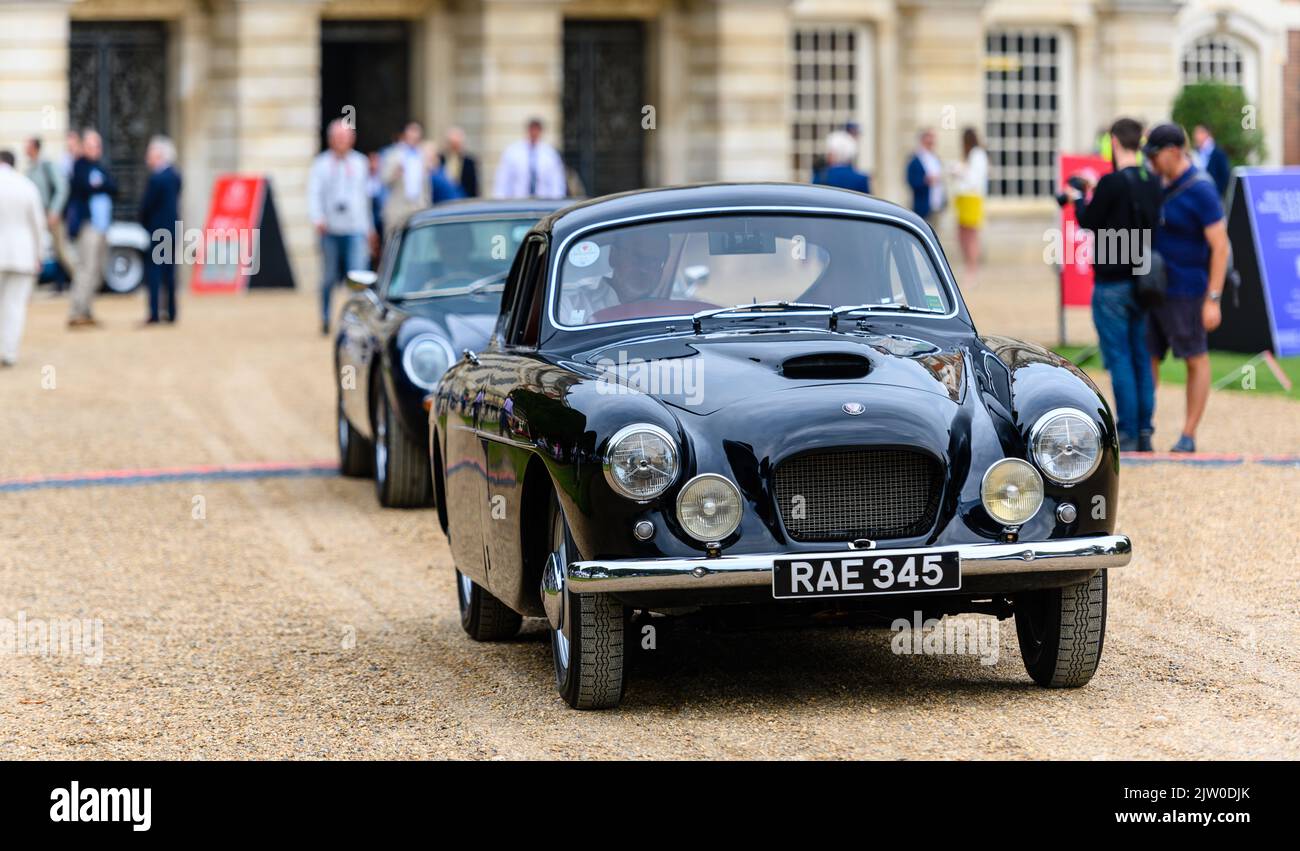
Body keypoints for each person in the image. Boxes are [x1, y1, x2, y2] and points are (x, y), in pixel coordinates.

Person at [1071, 118, 1160, 452]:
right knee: (1141, 354)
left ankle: (1128, 430)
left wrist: (1080, 195)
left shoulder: (1110, 183)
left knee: (1119, 357)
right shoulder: (1150, 180)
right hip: (1145, 280)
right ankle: (1146, 429)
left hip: (1112, 281)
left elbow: (1089, 221)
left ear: (1114, 141)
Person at [1143, 123, 1229, 453]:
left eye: (1155, 154)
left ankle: (1189, 433)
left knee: (1195, 358)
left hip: (1189, 291)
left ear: (1175, 152)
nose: (1150, 160)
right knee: (1147, 357)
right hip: (1155, 290)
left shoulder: (1201, 190)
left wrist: (1213, 299)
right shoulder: (1154, 183)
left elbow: (1220, 247)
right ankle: (1144, 428)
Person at [309, 119, 374, 335]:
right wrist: (317, 218)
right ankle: (326, 318)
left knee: (357, 277)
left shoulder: (360, 163)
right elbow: (314, 194)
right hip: (330, 229)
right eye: (338, 138)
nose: (341, 142)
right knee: (328, 278)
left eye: (345, 138)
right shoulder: (321, 164)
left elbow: (365, 198)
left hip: (355, 228)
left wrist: (369, 228)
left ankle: (356, 319)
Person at [558, 229, 671, 324]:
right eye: (637, 257)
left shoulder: (670, 313)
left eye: (654, 262)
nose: (645, 268)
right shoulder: (571, 304)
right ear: (613, 256)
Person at [66, 129, 116, 328]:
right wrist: (100, 185)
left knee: (98, 270)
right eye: (92, 145)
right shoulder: (80, 166)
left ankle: (87, 310)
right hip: (88, 225)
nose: (96, 149)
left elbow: (113, 186)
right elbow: (84, 187)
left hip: (102, 226)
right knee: (85, 269)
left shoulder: (100, 167)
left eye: (98, 145)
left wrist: (100, 184)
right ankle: (76, 311)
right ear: (84, 147)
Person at [0, 150, 46, 366]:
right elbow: (38, 224)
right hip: (22, 254)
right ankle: (8, 352)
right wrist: (39, 254)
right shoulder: (26, 186)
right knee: (14, 305)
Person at [138, 136, 182, 325]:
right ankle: (171, 312)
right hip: (172, 229)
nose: (148, 157)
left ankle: (155, 312)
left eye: (151, 154)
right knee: (169, 272)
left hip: (157, 230)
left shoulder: (157, 178)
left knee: (154, 272)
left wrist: (144, 222)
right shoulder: (175, 176)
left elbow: (146, 206)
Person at [23, 137, 69, 284]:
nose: (25, 148)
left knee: (62, 251)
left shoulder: (47, 165)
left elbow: (62, 188)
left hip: (50, 213)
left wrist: (55, 210)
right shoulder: (30, 168)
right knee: (35, 250)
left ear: (35, 148)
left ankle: (81, 284)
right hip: (36, 214)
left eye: (27, 145)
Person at [949, 127, 988, 284]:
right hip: (963, 198)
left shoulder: (978, 155)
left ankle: (972, 269)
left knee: (971, 236)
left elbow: (974, 179)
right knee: (962, 234)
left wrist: (959, 171)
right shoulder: (970, 155)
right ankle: (968, 266)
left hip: (972, 198)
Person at [493, 118, 566, 199]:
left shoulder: (550, 153)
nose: (534, 133)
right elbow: (503, 180)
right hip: (518, 200)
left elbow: (556, 182)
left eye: (536, 130)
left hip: (543, 201)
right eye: (532, 130)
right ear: (528, 131)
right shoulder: (512, 151)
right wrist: (500, 199)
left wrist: (557, 201)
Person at [381, 121, 430, 234]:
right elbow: (383, 179)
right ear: (405, 134)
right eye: (411, 132)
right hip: (397, 209)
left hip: (419, 208)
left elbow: (427, 187)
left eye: (416, 132)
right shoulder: (393, 154)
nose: (414, 136)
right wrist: (395, 173)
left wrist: (426, 205)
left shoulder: (423, 155)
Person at [906, 128, 944, 227]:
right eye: (929, 137)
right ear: (923, 139)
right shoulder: (915, 159)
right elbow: (910, 181)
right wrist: (925, 181)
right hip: (922, 206)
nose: (932, 141)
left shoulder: (935, 158)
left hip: (936, 204)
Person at [1191, 123, 1231, 198]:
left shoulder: (1218, 153)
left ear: (1206, 134)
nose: (1195, 136)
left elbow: (1225, 177)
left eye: (1198, 133)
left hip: (1214, 196)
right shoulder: (1196, 153)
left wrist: (1216, 194)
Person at [440, 126, 479, 198]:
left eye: (457, 144)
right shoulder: (440, 159)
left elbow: (474, 187)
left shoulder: (469, 162)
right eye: (452, 144)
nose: (454, 147)